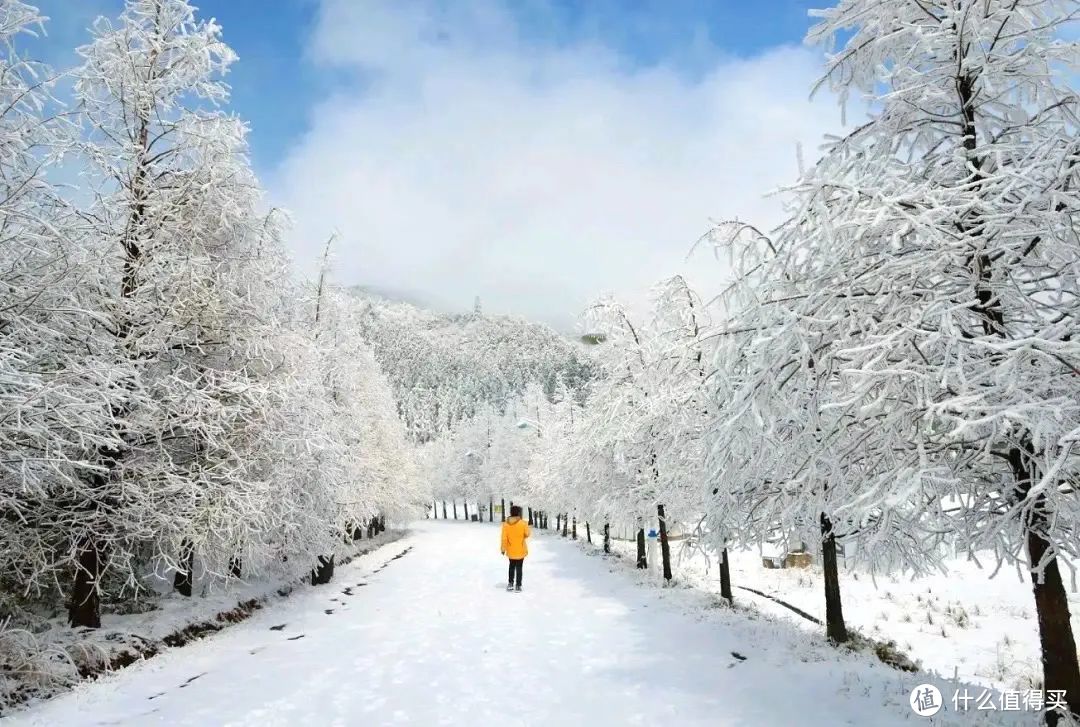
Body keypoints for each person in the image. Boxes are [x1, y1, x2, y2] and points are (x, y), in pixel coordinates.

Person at [500, 505, 530, 592]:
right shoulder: (523, 523)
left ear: (511, 513)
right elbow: (527, 534)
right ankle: (518, 586)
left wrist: (503, 549)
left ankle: (510, 584)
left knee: (511, 566)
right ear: (519, 513)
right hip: (521, 549)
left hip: (511, 550)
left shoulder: (505, 524)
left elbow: (504, 538)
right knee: (519, 568)